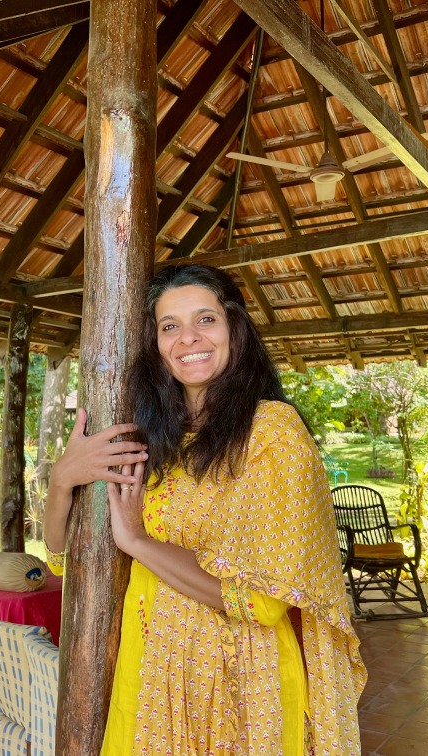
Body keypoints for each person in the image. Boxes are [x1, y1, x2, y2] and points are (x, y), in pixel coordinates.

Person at [44, 264, 366, 754]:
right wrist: (62, 479)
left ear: (235, 327)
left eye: (205, 320)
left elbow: (262, 601)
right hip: (151, 672)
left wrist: (138, 542)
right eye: (169, 326)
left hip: (242, 680)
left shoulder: (272, 433)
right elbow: (61, 556)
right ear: (155, 344)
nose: (188, 338)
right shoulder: (152, 436)